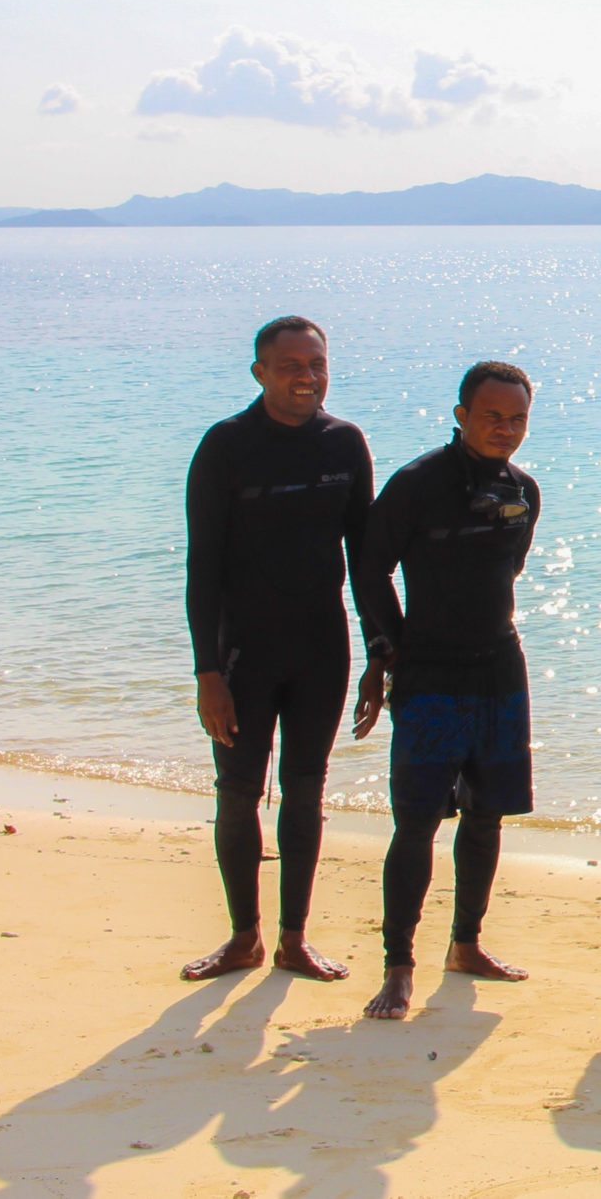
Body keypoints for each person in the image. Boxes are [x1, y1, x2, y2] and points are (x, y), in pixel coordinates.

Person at [180, 316, 375, 982]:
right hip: (244, 653)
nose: (306, 376)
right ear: (260, 371)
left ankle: (294, 938)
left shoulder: (345, 443)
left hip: (322, 645)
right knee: (237, 793)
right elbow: (201, 566)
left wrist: (381, 649)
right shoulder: (227, 445)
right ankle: (244, 937)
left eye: (316, 363)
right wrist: (208, 670)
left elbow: (367, 557)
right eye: (290, 364)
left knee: (304, 789)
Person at [352, 362, 542, 1021]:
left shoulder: (524, 489)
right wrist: (388, 648)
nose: (504, 428)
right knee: (418, 820)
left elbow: (504, 569)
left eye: (516, 417)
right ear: (460, 413)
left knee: (487, 813)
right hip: (429, 671)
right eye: (491, 415)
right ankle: (398, 965)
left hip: (498, 665)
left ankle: (466, 944)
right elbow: (370, 569)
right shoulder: (416, 484)